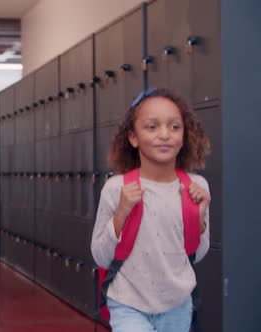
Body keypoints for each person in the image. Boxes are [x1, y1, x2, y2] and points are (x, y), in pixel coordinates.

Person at [91, 88, 211, 332]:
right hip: (127, 303)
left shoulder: (197, 187)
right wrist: (121, 212)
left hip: (177, 304)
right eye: (152, 127)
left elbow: (197, 254)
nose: (165, 135)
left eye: (175, 127)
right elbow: (101, 256)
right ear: (133, 138)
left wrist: (198, 218)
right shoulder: (116, 189)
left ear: (184, 136)